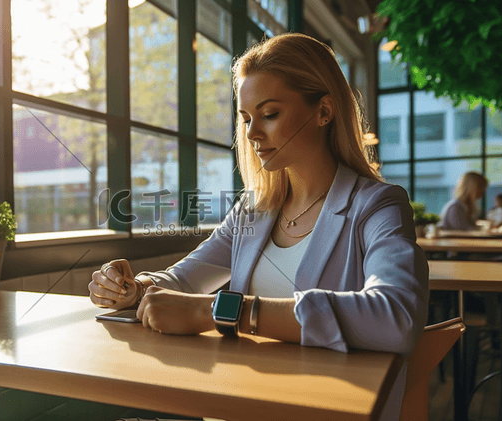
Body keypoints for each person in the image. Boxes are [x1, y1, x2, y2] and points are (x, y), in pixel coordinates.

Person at [89, 33, 428, 421]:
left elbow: (397, 316)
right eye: (246, 119)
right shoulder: (253, 211)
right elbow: (183, 281)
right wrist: (135, 289)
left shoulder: (378, 206)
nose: (251, 134)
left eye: (269, 114)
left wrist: (224, 312)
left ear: (324, 111)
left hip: (323, 409)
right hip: (239, 401)